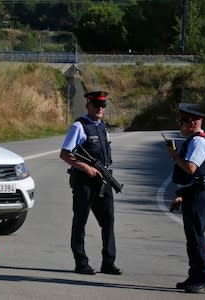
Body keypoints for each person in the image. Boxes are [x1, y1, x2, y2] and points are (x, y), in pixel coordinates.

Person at [60, 91, 122, 276]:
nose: (100, 109)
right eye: (96, 105)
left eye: (103, 106)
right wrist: (85, 168)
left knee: (108, 221)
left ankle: (108, 263)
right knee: (80, 221)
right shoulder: (79, 126)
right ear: (88, 105)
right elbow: (65, 154)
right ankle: (81, 262)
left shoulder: (102, 126)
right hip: (84, 182)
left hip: (103, 181)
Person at [166, 103, 205, 293]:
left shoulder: (198, 142)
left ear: (192, 122)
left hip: (199, 195)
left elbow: (190, 169)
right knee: (192, 238)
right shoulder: (195, 140)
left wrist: (173, 155)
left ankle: (204, 278)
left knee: (196, 237)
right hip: (193, 193)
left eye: (182, 121)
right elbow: (190, 177)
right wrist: (180, 195)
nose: (180, 124)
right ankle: (195, 276)